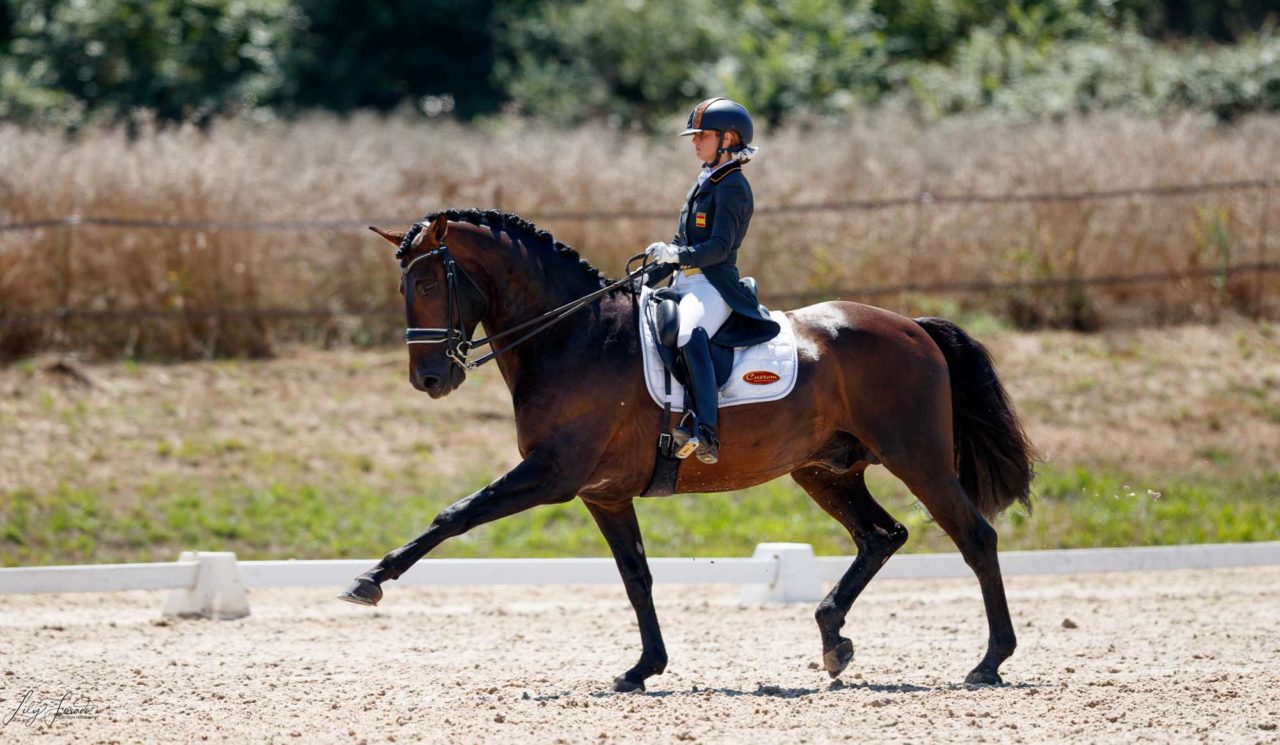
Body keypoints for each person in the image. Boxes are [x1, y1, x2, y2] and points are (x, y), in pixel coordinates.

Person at [644, 97, 781, 465]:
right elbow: (680, 242)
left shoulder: (733, 186)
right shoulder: (705, 180)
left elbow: (719, 248)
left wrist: (679, 256)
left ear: (729, 138)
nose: (694, 141)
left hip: (714, 286)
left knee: (689, 333)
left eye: (702, 134)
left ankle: (706, 430)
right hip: (684, 283)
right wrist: (650, 271)